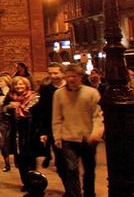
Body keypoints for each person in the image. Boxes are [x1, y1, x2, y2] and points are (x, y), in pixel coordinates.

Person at [52, 63, 104, 197]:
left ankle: (89, 193)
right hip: (68, 138)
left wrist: (96, 133)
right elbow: (57, 118)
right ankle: (75, 194)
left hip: (87, 138)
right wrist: (57, 136)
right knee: (71, 169)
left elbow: (97, 116)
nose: (71, 79)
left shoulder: (91, 93)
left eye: (74, 76)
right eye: (68, 76)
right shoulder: (59, 94)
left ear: (80, 77)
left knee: (89, 169)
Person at [3, 75, 40, 190]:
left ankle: (34, 182)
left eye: (21, 84)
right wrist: (9, 107)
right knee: (20, 159)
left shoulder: (34, 97)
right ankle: (26, 182)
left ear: (26, 85)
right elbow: (2, 110)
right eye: (16, 84)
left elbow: (38, 113)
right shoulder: (10, 97)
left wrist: (20, 107)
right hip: (16, 132)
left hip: (31, 132)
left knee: (31, 158)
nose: (19, 86)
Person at [35, 62, 66, 169]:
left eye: (56, 73)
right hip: (53, 127)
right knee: (60, 157)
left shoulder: (69, 88)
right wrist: (43, 131)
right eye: (50, 73)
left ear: (63, 73)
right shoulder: (46, 90)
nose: (53, 76)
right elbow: (42, 111)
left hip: (70, 127)